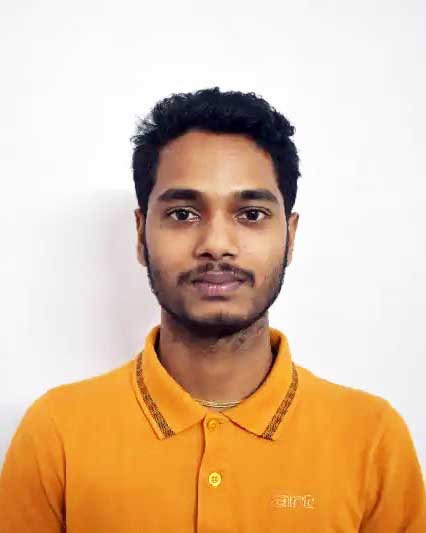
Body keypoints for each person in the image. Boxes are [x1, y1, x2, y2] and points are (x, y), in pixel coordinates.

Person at [0, 87, 425, 532]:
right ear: (141, 235)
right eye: (183, 214)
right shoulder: (57, 432)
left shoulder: (372, 437)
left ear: (290, 237)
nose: (217, 245)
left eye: (251, 214)